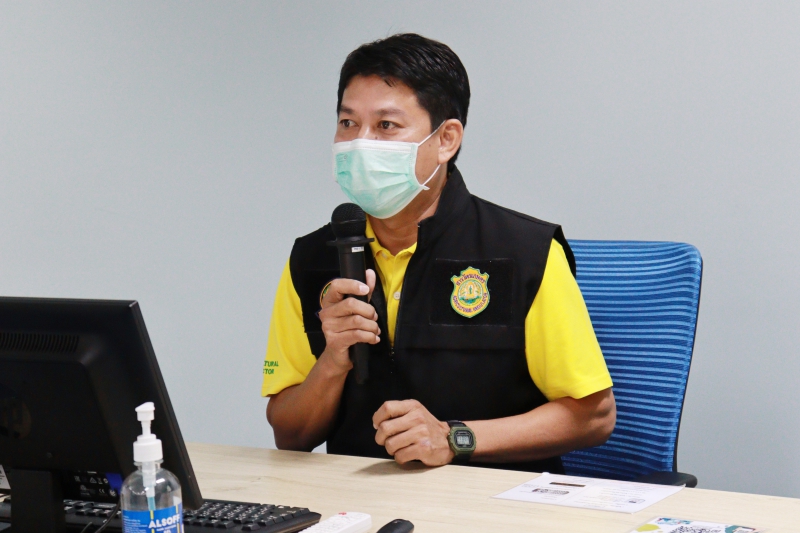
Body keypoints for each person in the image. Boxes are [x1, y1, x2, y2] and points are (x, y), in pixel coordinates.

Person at [262, 33, 615, 473]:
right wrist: (333, 361)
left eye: (386, 125)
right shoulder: (312, 258)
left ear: (446, 139)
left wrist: (454, 438)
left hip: (489, 497)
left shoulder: (524, 252)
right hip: (356, 500)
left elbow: (594, 416)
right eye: (348, 123)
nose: (360, 143)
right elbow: (290, 435)